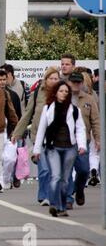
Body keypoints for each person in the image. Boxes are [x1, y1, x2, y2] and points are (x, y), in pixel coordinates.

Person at [33, 81, 87, 217]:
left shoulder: (74, 110)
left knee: (64, 179)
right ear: (55, 93)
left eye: (66, 91)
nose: (63, 93)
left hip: (70, 148)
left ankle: (62, 207)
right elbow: (41, 130)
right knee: (55, 176)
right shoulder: (48, 108)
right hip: (53, 147)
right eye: (61, 91)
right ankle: (53, 204)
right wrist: (37, 150)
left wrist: (82, 145)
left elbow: (80, 129)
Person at [12, 67, 60, 206]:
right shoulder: (38, 92)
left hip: (58, 137)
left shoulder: (63, 92)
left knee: (55, 170)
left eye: (56, 78)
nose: (53, 81)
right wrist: (17, 133)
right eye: (51, 78)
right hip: (40, 136)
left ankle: (55, 196)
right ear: (46, 79)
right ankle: (44, 195)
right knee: (44, 169)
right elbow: (27, 114)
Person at [66, 72, 101, 208]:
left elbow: (96, 121)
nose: (75, 85)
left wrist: (98, 139)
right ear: (68, 82)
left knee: (83, 170)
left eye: (78, 82)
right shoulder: (63, 97)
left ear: (82, 84)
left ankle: (79, 189)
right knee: (67, 171)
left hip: (83, 141)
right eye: (73, 82)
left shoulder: (88, 99)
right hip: (66, 141)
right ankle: (68, 199)